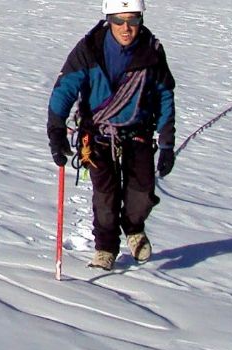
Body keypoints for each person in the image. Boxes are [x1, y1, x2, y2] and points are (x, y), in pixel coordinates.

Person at [47, 0, 176, 271]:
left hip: (138, 132)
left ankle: (133, 227)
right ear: (108, 20)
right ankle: (105, 247)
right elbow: (65, 88)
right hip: (97, 135)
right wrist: (56, 130)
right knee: (105, 195)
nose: (126, 28)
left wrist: (166, 143)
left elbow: (164, 94)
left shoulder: (151, 52)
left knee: (141, 193)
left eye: (133, 20)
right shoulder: (89, 50)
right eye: (119, 20)